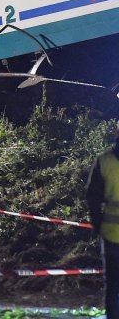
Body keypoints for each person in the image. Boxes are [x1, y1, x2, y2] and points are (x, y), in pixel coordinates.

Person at [86, 121, 119, 319]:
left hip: (110, 234)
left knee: (113, 286)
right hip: (109, 234)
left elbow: (92, 197)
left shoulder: (104, 160)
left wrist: (97, 225)